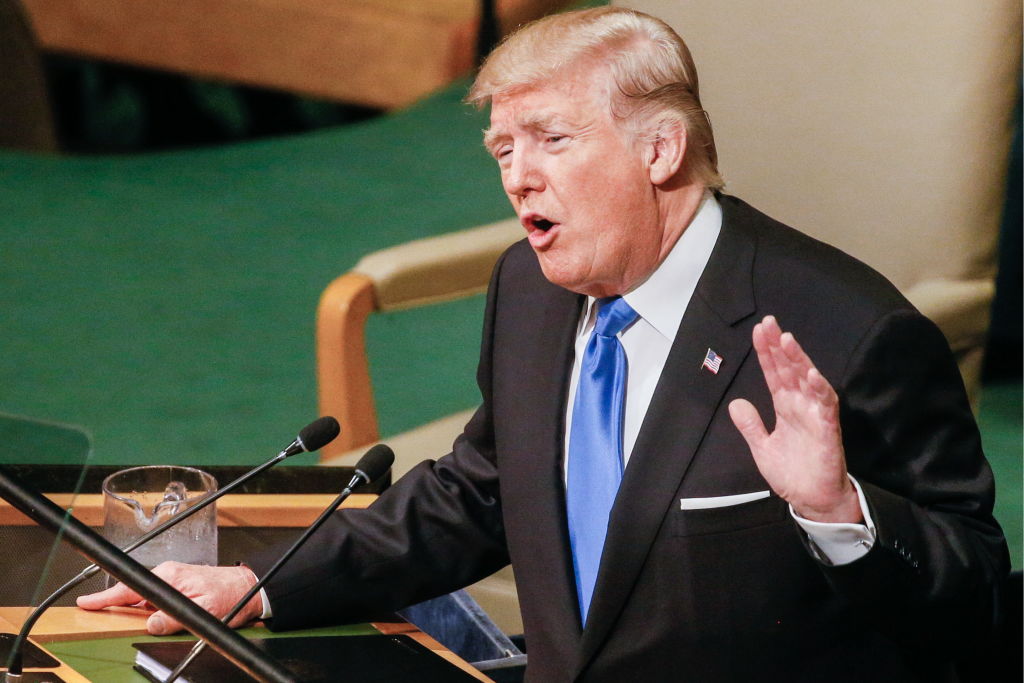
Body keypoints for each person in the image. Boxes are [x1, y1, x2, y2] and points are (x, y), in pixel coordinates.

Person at [79, 7, 1008, 681]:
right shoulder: (531, 286)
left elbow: (976, 605)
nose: (517, 177)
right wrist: (258, 584)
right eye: (501, 150)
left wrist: (837, 510)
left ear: (660, 151)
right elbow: (483, 491)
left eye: (551, 139)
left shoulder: (852, 333)